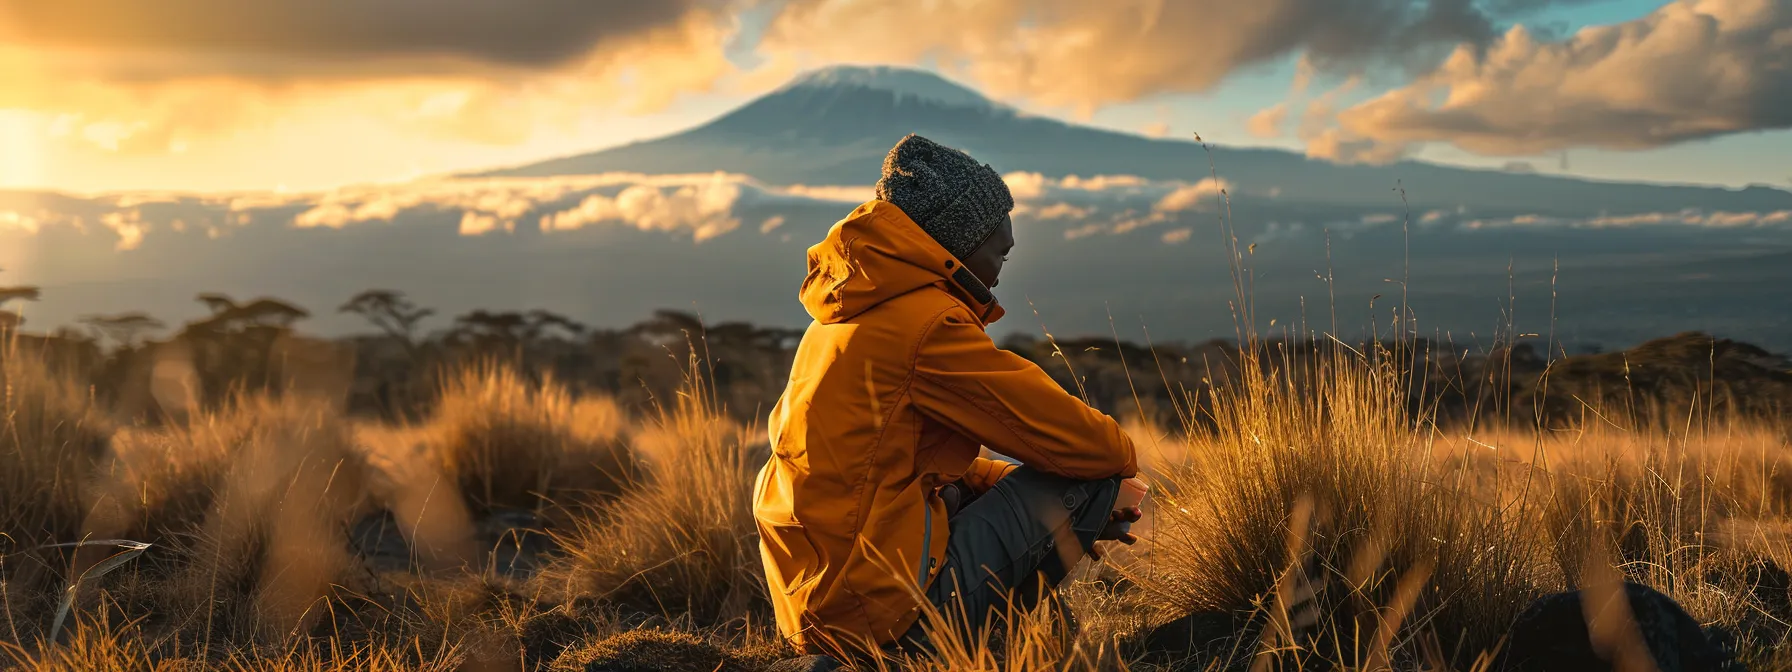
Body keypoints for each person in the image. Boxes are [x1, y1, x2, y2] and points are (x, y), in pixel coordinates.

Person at [752, 133, 1143, 664]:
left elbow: (891, 469)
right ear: (956, 241)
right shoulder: (929, 325)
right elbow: (1093, 447)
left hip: (820, 608)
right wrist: (1092, 501)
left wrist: (1010, 490)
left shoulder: (844, 314)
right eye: (997, 244)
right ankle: (952, 653)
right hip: (875, 618)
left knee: (1023, 491)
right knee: (1093, 478)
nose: (1006, 255)